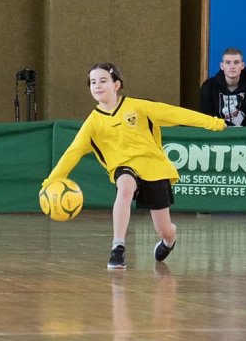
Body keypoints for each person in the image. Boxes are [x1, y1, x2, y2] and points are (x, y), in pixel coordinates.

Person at [43, 62, 226, 270]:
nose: (97, 85)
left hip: (153, 168)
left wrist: (212, 122)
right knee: (125, 188)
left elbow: (174, 113)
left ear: (116, 85)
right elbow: (72, 153)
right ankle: (118, 247)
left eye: (103, 80)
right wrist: (51, 181)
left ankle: (169, 240)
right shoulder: (92, 123)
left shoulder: (138, 107)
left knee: (164, 230)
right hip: (123, 167)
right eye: (93, 82)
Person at [199, 47, 246, 126]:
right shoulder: (209, 86)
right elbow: (206, 116)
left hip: (245, 132)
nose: (232, 66)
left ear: (242, 65)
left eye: (236, 62)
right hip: (217, 131)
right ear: (222, 66)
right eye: (228, 62)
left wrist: (242, 132)